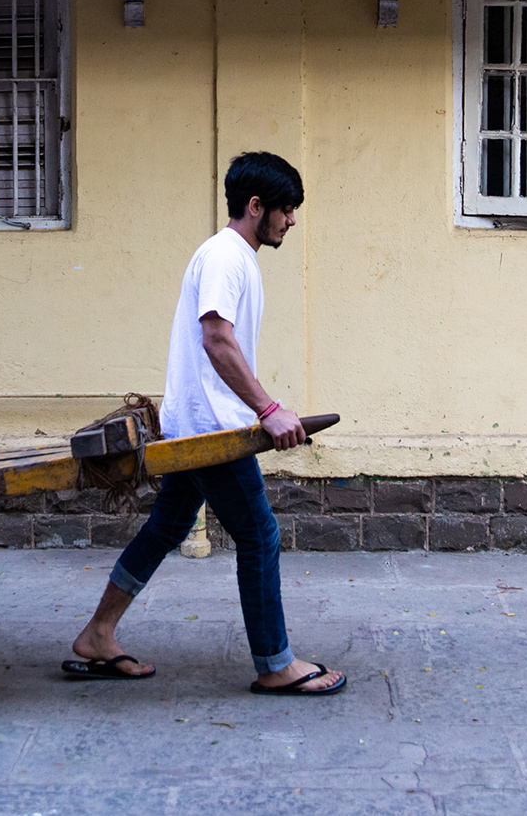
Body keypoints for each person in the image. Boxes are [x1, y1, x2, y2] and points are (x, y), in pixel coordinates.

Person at [61, 151, 346, 696]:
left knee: (166, 528)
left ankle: (99, 633)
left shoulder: (236, 258)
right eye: (285, 209)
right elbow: (216, 339)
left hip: (195, 423)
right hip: (212, 430)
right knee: (259, 534)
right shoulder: (225, 256)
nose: (291, 220)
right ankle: (274, 663)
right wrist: (268, 409)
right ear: (256, 205)